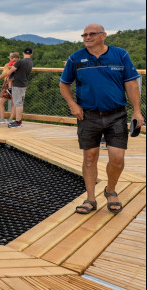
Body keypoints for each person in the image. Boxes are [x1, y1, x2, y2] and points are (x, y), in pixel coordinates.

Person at [60, 23, 143, 215]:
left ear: (103, 35)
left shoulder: (120, 55)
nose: (87, 37)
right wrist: (73, 105)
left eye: (91, 34)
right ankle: (90, 198)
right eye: (84, 35)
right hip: (87, 115)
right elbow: (64, 84)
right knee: (90, 158)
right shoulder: (75, 58)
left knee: (117, 158)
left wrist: (137, 111)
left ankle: (111, 191)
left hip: (116, 114)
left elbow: (131, 83)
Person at [0, 51, 19, 124]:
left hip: (17, 84)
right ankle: (2, 119)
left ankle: (10, 119)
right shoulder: (7, 65)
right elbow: (3, 75)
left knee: (13, 103)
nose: (10, 59)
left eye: (11, 57)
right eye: (10, 57)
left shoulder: (20, 65)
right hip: (6, 84)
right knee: (0, 102)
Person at [6, 48, 33, 128]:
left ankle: (18, 122)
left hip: (18, 84)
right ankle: (19, 121)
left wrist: (8, 74)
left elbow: (10, 71)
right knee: (20, 103)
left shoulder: (20, 62)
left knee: (18, 103)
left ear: (23, 53)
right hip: (24, 84)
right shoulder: (30, 62)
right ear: (31, 54)